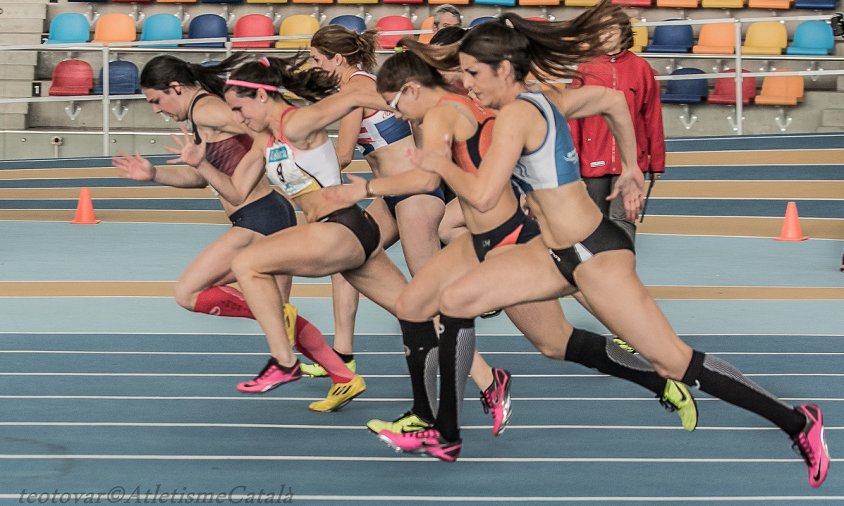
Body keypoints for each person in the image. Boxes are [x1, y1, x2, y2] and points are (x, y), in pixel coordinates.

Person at [387, 4, 829, 488]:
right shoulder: (544, 97)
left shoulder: (515, 115)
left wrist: (438, 163)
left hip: (595, 254)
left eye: (474, 73)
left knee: (673, 360)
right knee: (454, 301)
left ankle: (798, 422)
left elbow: (483, 194)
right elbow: (614, 103)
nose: (467, 83)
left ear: (505, 69)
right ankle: (445, 434)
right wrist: (633, 166)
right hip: (550, 254)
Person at [324, 48, 698, 462]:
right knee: (418, 302)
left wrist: (631, 167)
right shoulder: (444, 110)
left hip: (516, 240)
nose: (465, 80)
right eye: (458, 72)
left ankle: (657, 380)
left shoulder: (516, 105)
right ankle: (436, 415)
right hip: (477, 239)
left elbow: (609, 100)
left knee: (556, 343)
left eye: (469, 72)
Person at [112, 55, 359, 411]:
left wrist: (275, 142)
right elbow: (202, 177)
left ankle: (288, 333)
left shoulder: (207, 110)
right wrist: (154, 175)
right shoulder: (205, 114)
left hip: (259, 217)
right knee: (274, 314)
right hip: (261, 215)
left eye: (156, 101)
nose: (156, 110)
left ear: (176, 88)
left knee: (188, 292)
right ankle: (343, 376)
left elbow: (260, 124)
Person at [306, 25, 515, 436]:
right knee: (344, 256)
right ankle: (344, 359)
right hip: (394, 195)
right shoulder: (370, 86)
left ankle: (490, 381)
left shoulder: (355, 92)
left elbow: (344, 155)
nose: (315, 66)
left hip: (415, 198)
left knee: (428, 300)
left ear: (336, 59)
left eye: (317, 59)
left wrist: (297, 158)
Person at [568, 13, 665, 241]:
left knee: (623, 220)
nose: (606, 35)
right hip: (592, 160)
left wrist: (657, 162)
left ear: (624, 32)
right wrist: (573, 162)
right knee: (594, 220)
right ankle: (595, 270)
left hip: (631, 161)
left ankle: (622, 266)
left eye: (611, 29)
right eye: (601, 29)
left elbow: (652, 116)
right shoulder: (585, 69)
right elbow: (574, 121)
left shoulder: (641, 68)